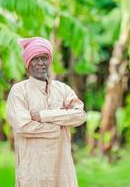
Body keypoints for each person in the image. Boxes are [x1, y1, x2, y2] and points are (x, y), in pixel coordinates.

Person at [6, 37, 86, 187]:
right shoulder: (19, 91)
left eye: (44, 58)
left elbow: (79, 115)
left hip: (61, 168)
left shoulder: (62, 89)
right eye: (35, 59)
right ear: (28, 63)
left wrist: (44, 116)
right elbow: (23, 126)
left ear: (50, 61)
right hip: (33, 169)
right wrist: (57, 128)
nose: (41, 63)